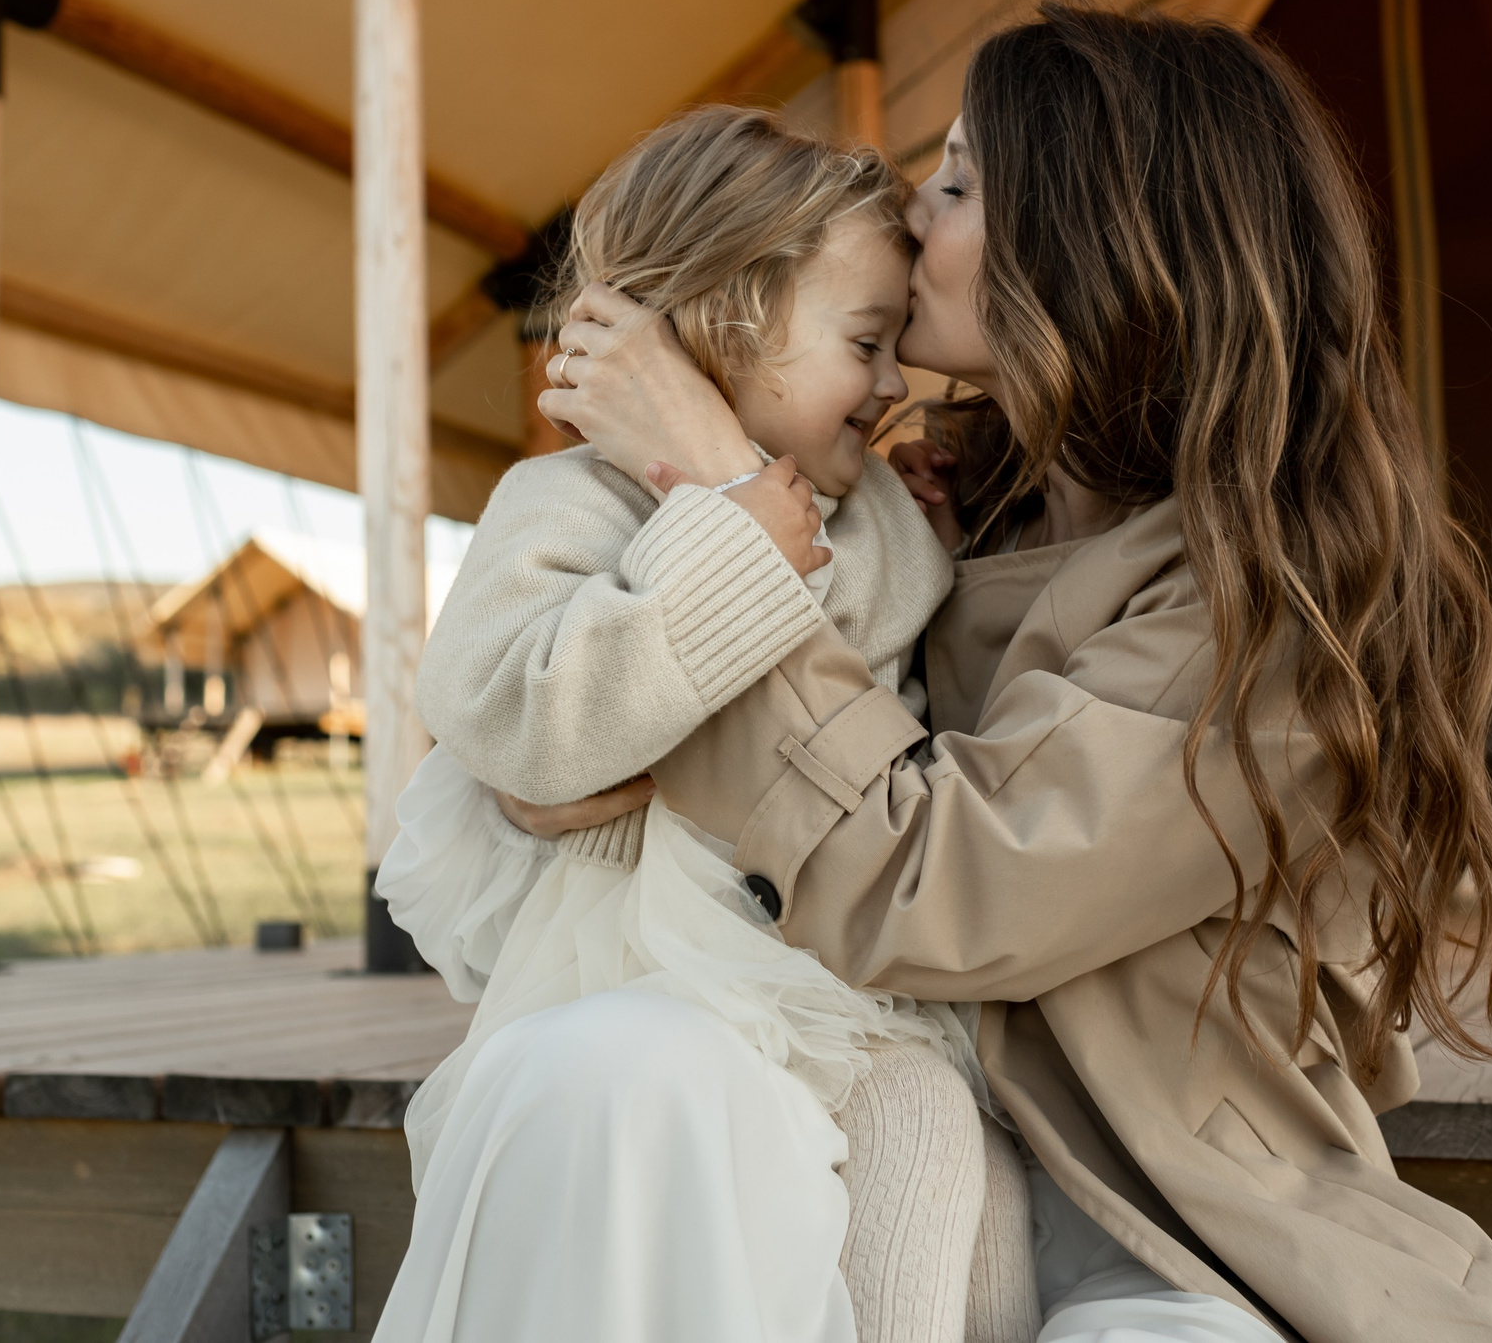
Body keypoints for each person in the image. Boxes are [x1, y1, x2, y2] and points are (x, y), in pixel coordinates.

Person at [510, 3, 1492, 1343]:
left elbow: (935, 878)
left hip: (1175, 1236)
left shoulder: (1268, 613)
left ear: (1093, 240)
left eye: (957, 181)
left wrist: (715, 489)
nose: (912, 205)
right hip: (893, 1132)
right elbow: (560, 767)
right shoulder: (946, 512)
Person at [374, 104, 1035, 1343]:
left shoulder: (871, 516)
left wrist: (873, 521)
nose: (896, 384)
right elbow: (515, 721)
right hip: (650, 963)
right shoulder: (562, 504)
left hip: (838, 970)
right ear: (730, 325)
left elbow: (873, 655)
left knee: (955, 1158)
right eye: (865, 341)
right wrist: (730, 537)